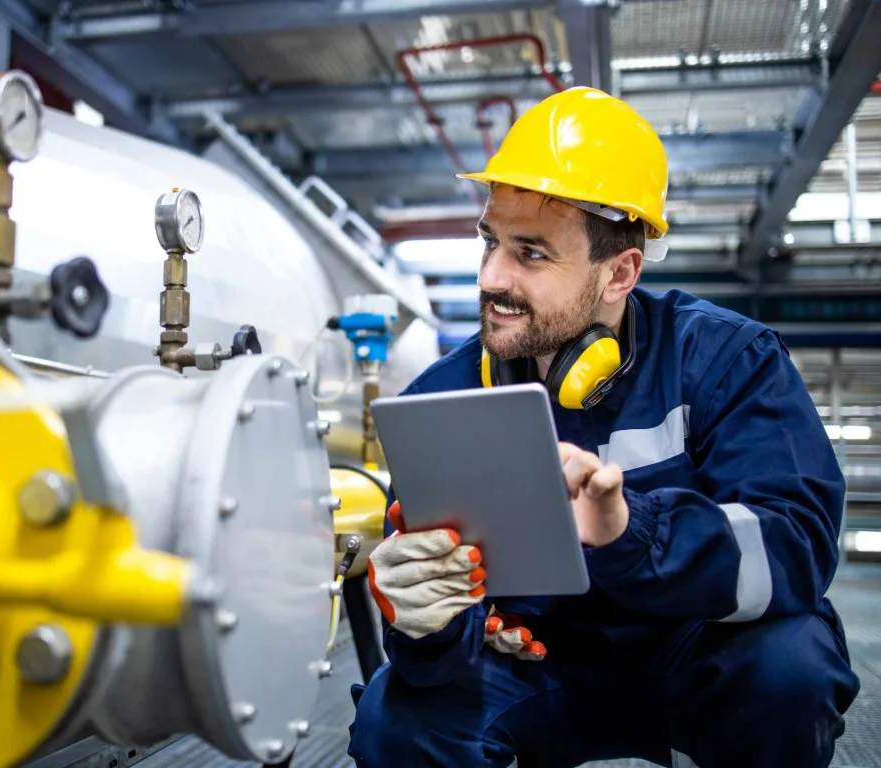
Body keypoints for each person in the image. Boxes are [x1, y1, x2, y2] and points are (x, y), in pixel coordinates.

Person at [346, 87, 860, 767]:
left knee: (790, 670)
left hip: (697, 648)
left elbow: (794, 547)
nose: (492, 277)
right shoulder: (443, 395)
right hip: (534, 665)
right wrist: (421, 624)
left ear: (620, 273)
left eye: (531, 253)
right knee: (395, 721)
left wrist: (629, 532)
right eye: (490, 242)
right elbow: (432, 652)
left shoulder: (727, 361)